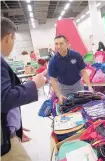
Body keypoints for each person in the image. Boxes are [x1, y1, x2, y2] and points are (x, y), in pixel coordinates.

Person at [1, 17, 47, 161]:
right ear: (8, 38)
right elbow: (4, 99)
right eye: (14, 40)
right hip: (5, 140)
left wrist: (15, 127)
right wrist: (33, 85)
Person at [48, 35, 94, 104]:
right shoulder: (53, 61)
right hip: (63, 87)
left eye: (61, 43)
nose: (58, 46)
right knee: (66, 107)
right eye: (56, 44)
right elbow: (53, 80)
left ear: (66, 43)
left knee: (81, 104)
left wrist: (89, 86)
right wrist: (58, 94)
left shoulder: (76, 55)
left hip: (78, 85)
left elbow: (83, 72)